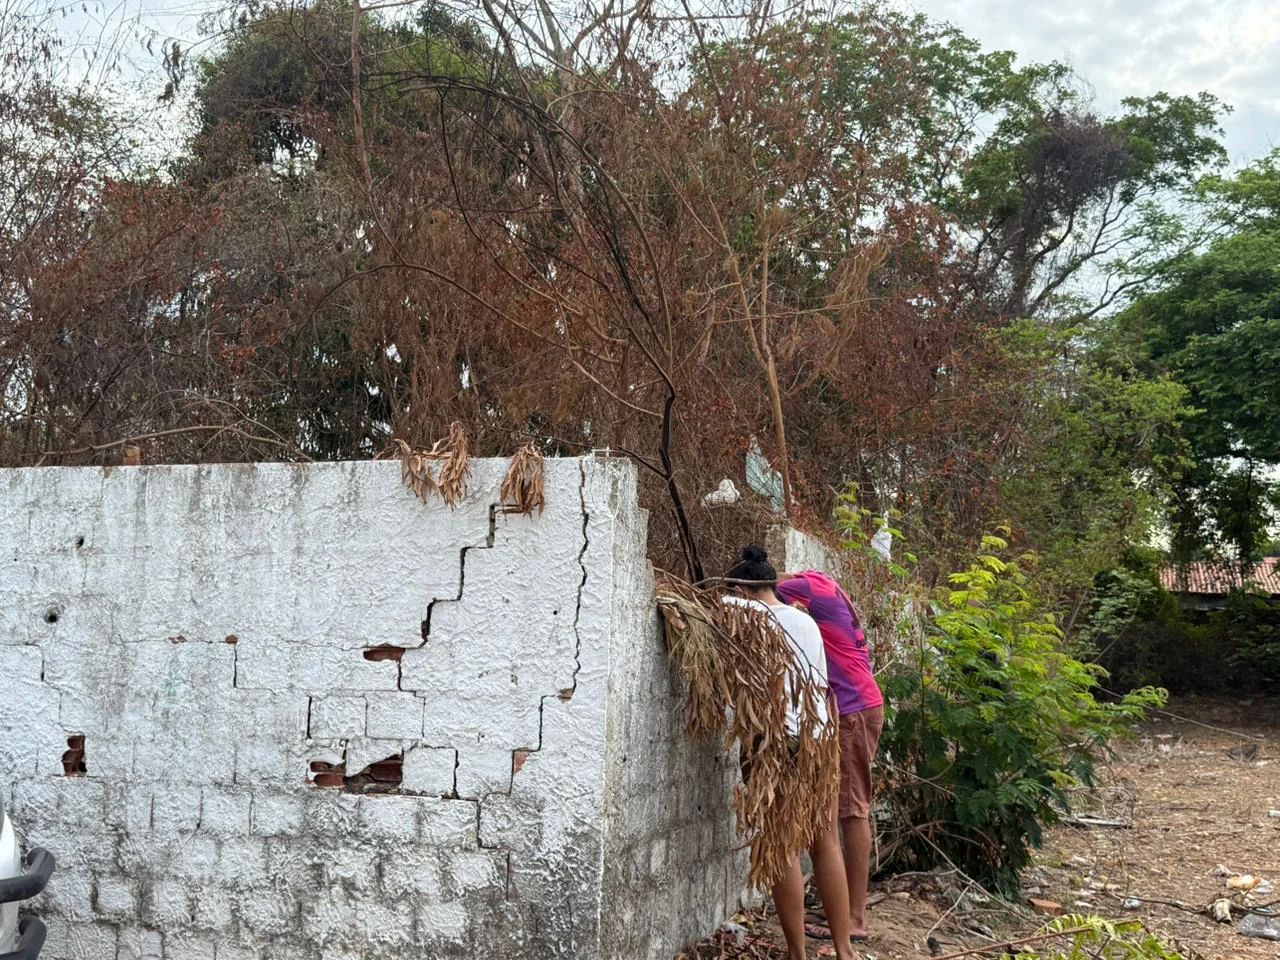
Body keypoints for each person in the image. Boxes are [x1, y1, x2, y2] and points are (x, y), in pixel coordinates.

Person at [724, 545, 859, 960]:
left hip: (775, 742)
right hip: (819, 739)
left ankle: (797, 954)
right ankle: (844, 950)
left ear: (739, 589)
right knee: (825, 842)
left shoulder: (742, 612)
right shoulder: (805, 621)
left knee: (782, 846)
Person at [776, 569, 884, 943]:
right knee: (843, 811)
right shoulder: (822, 584)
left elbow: (761, 595)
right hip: (860, 704)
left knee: (852, 812)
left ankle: (855, 918)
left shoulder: (802, 587)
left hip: (852, 710)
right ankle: (842, 908)